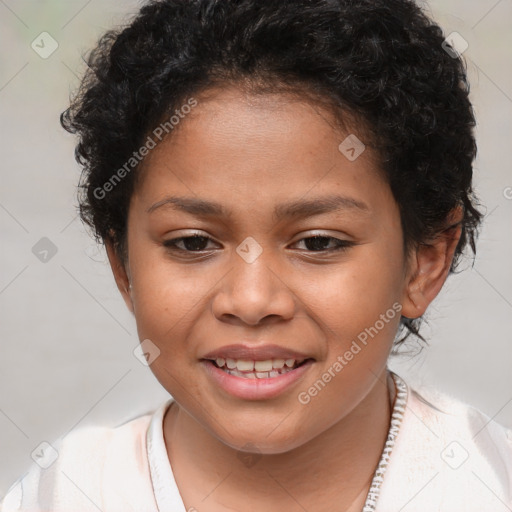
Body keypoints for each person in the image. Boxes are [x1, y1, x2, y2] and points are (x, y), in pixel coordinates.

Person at [2, 0, 511, 510]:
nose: (250, 301)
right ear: (123, 266)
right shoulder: (63, 494)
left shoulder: (489, 484)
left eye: (317, 242)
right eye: (192, 242)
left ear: (424, 261)